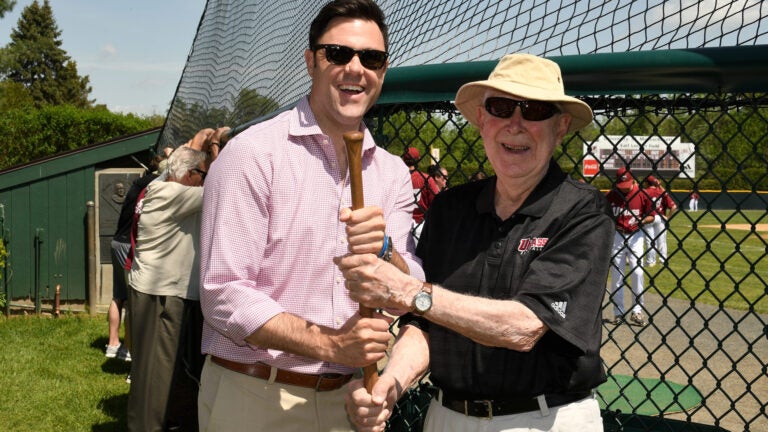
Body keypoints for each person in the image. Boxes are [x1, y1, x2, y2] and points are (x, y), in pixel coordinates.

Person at [338, 53, 614, 432]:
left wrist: (410, 291)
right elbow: (424, 325)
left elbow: (525, 327)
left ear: (561, 126)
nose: (515, 125)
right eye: (501, 108)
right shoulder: (452, 208)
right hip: (446, 417)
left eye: (534, 110)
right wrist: (389, 387)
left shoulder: (582, 210)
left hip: (544, 418)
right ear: (483, 121)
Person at [197, 1, 424, 431]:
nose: (356, 68)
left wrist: (386, 250)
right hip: (257, 395)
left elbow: (408, 282)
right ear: (311, 61)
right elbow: (223, 293)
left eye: (371, 58)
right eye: (338, 53)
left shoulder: (392, 172)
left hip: (349, 399)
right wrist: (334, 344)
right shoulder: (253, 154)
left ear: (383, 71)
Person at [126, 127, 227, 431]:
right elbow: (223, 186)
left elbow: (168, 170)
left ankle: (165, 422)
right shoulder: (172, 194)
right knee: (156, 377)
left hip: (156, 292)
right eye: (201, 173)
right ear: (187, 175)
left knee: (161, 373)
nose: (204, 178)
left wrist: (197, 150)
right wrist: (215, 149)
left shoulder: (161, 187)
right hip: (162, 295)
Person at [106, 154, 166, 363]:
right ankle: (128, 350)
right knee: (132, 299)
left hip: (116, 242)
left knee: (118, 295)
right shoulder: (155, 185)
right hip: (128, 245)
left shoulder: (137, 184)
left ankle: (113, 344)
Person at [605, 167, 654, 326]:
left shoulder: (642, 194)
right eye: (621, 186)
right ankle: (618, 313)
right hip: (617, 236)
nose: (624, 189)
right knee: (617, 275)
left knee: (638, 272)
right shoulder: (612, 195)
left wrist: (643, 221)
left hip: (636, 236)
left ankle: (637, 311)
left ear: (633, 180)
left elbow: (652, 216)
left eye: (626, 185)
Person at [642, 175, 677, 266]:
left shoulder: (644, 192)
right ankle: (663, 260)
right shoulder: (661, 192)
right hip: (661, 218)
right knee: (662, 241)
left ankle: (651, 261)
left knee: (650, 241)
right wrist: (668, 217)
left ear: (646, 183)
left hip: (649, 218)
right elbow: (674, 207)